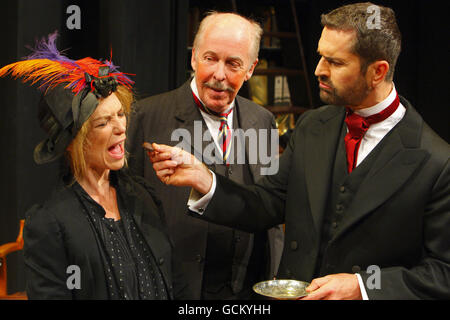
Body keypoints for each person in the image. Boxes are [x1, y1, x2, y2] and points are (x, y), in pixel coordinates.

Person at [149, 2, 450, 300]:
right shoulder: (312, 126)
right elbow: (267, 203)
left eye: (336, 62)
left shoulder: (436, 162)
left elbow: (443, 272)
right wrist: (206, 181)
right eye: (321, 56)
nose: (319, 70)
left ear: (377, 71)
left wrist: (363, 287)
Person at [0, 32, 174, 299]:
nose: (121, 128)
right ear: (72, 143)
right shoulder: (50, 223)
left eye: (120, 114)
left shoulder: (143, 196)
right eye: (103, 123)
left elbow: (173, 280)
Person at [126, 12, 284, 299]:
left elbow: (270, 206)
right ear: (194, 57)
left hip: (251, 292)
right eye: (210, 58)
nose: (219, 75)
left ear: (251, 68)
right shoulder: (144, 118)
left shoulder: (262, 120)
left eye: (233, 64)